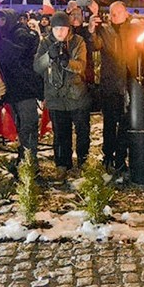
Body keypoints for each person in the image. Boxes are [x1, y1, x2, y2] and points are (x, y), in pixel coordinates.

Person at [89, 0, 144, 174]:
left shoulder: (136, 30)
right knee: (110, 124)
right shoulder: (105, 30)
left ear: (126, 13)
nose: (115, 16)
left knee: (125, 125)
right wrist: (92, 29)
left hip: (130, 85)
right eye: (112, 13)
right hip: (110, 85)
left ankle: (121, 158)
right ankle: (108, 156)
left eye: (118, 12)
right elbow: (94, 45)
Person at [34, 12, 91, 174]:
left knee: (82, 132)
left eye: (64, 28)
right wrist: (48, 57)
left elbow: (81, 66)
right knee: (60, 134)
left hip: (77, 95)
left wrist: (67, 62)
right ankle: (62, 164)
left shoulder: (77, 41)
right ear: (51, 28)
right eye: (57, 28)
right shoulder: (45, 43)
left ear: (69, 29)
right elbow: (37, 66)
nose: (60, 32)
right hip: (55, 96)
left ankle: (83, 162)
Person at [0, 8, 44, 162]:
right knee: (21, 126)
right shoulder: (7, 35)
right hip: (13, 89)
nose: (0, 23)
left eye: (3, 20)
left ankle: (30, 163)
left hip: (25, 88)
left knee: (28, 126)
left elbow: (20, 53)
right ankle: (24, 157)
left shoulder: (21, 33)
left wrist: (2, 44)